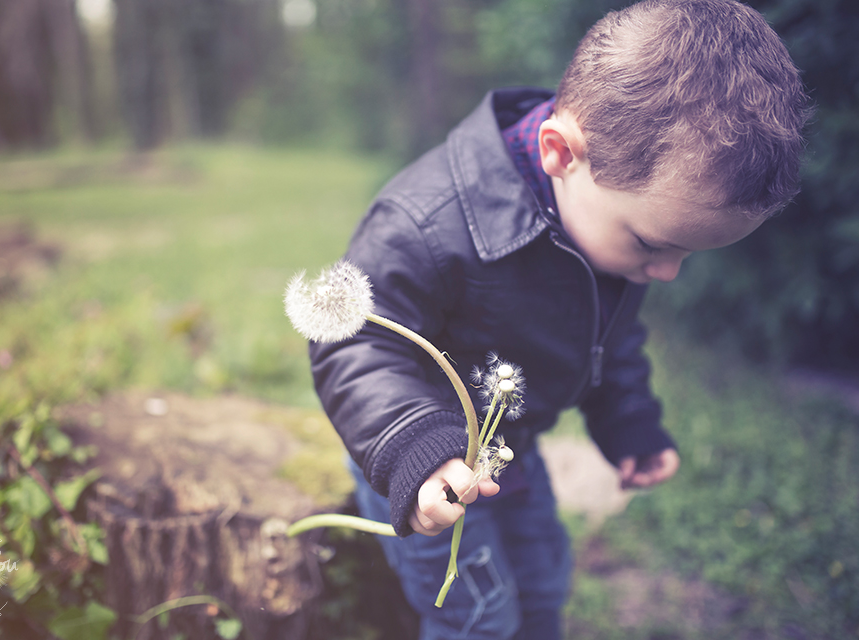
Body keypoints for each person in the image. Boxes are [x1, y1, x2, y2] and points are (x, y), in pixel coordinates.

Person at [308, 0, 811, 637]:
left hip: (507, 447)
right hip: (416, 458)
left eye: (686, 254)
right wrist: (416, 451)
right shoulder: (425, 223)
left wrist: (629, 422)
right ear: (559, 153)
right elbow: (354, 345)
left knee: (544, 583)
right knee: (479, 616)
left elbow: (610, 335)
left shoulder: (607, 213)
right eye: (655, 246)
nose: (666, 273)